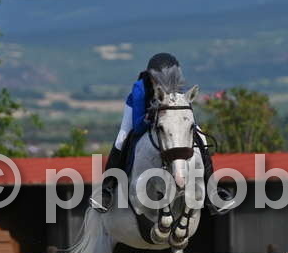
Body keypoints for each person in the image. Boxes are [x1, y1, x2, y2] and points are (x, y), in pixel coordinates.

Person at [90, 53, 229, 215]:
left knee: (201, 137)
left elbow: (184, 119)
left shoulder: (178, 88)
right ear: (151, 77)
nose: (164, 84)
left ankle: (213, 192)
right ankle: (107, 190)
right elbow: (138, 126)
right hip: (140, 115)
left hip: (169, 119)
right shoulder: (140, 89)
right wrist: (151, 116)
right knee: (122, 139)